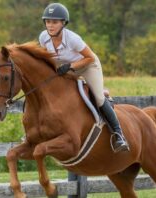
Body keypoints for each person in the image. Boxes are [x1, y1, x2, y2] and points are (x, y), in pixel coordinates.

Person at [38, 3, 129, 152]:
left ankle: (119, 135)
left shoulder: (73, 39)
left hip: (88, 66)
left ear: (63, 23)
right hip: (66, 68)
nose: (50, 26)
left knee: (99, 99)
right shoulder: (43, 37)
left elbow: (90, 58)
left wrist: (71, 66)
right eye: (48, 22)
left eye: (54, 22)